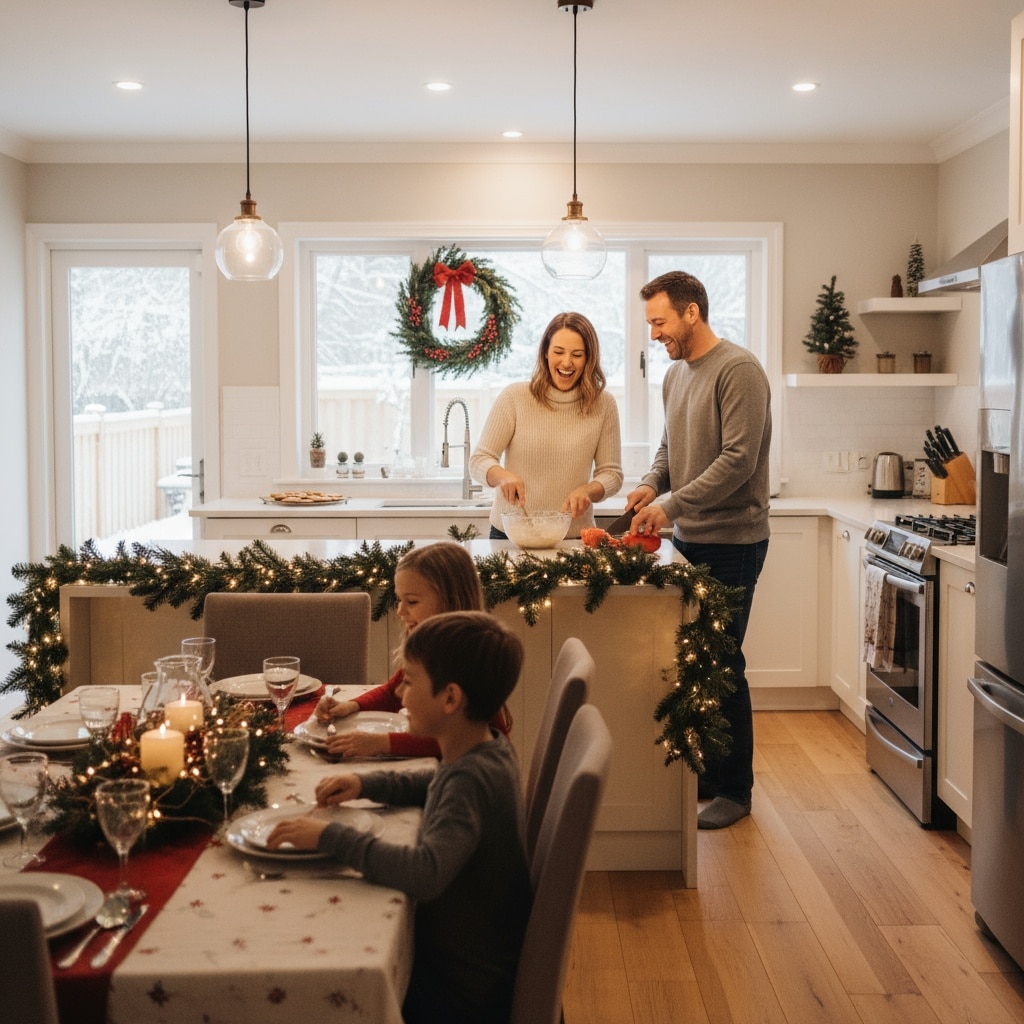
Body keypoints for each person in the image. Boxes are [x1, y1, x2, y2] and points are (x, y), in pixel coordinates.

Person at [267, 611, 531, 1024]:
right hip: (468, 969)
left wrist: (329, 837)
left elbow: (425, 873)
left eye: (409, 682)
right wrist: (367, 784)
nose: (401, 695)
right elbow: (434, 783)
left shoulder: (470, 780)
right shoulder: (484, 749)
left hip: (456, 992)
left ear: (450, 699)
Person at [626, 270, 771, 831]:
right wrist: (650, 484)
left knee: (723, 662)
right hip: (691, 537)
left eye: (660, 322)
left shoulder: (738, 370)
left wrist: (671, 505)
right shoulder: (676, 375)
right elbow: (669, 448)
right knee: (697, 661)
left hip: (734, 539)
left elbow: (738, 462)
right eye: (651, 325)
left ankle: (736, 789)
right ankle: (712, 772)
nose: (656, 334)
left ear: (692, 313)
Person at [314, 541, 511, 758]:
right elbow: (394, 692)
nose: (399, 611)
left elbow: (459, 738)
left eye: (412, 601)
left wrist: (383, 742)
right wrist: (351, 705)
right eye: (399, 600)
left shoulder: (467, 657)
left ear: (450, 601)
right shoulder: (428, 643)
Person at [469, 311, 623, 539]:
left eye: (577, 354)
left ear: (589, 358)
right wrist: (503, 476)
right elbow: (480, 460)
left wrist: (588, 491)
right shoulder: (515, 397)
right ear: (545, 353)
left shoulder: (604, 405)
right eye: (558, 352)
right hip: (511, 534)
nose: (567, 362)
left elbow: (612, 474)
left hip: (572, 537)